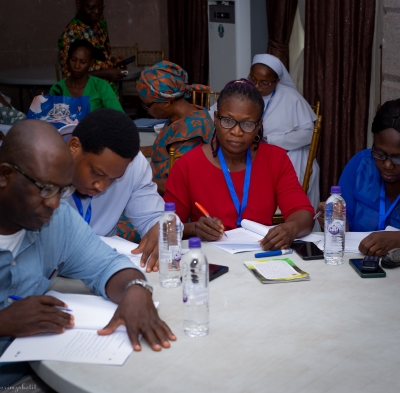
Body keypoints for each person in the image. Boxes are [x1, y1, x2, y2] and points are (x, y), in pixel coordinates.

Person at [0, 120, 175, 387]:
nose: (54, 203)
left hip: (34, 373)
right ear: (4, 176)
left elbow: (106, 263)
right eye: (45, 188)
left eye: (62, 190)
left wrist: (136, 288)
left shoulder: (58, 221)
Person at [164, 79, 314, 250]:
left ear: (259, 126)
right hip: (210, 261)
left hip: (262, 254)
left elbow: (303, 213)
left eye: (247, 124)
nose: (236, 131)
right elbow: (166, 228)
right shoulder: (187, 165)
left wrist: (290, 229)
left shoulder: (276, 159)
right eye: (227, 120)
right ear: (215, 119)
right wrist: (194, 228)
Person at [209, 54, 319, 211]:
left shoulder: (291, 98)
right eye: (253, 79)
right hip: (241, 150)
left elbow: (308, 134)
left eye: (264, 83)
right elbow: (214, 117)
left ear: (277, 82)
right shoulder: (241, 92)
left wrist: (271, 140)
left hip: (280, 152)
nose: (257, 86)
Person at [63, 108, 164, 272]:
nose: (101, 187)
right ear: (74, 147)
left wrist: (161, 229)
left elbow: (152, 216)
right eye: (97, 173)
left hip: (102, 267)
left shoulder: (131, 163)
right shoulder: (37, 167)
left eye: (113, 179)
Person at [317, 99, 400, 260]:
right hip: (357, 266)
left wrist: (397, 239)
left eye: (397, 158)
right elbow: (345, 227)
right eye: (379, 153)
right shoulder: (361, 165)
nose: (387, 165)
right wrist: (336, 222)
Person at [137, 61, 214, 195]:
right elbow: (168, 148)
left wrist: (136, 180)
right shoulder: (183, 117)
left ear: (166, 103)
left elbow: (176, 185)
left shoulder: (192, 131)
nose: (146, 110)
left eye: (147, 105)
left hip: (171, 204)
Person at [58, 0, 126, 95]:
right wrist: (106, 74)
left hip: (108, 93)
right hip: (87, 98)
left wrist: (114, 62)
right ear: (79, 4)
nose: (97, 12)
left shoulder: (100, 22)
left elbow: (103, 54)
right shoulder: (70, 35)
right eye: (91, 8)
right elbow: (69, 76)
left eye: (100, 8)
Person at [50, 39, 123, 113]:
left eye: (83, 62)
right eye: (73, 60)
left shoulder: (100, 86)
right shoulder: (58, 89)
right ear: (68, 59)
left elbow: (118, 115)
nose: (77, 66)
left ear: (91, 63)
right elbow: (50, 118)